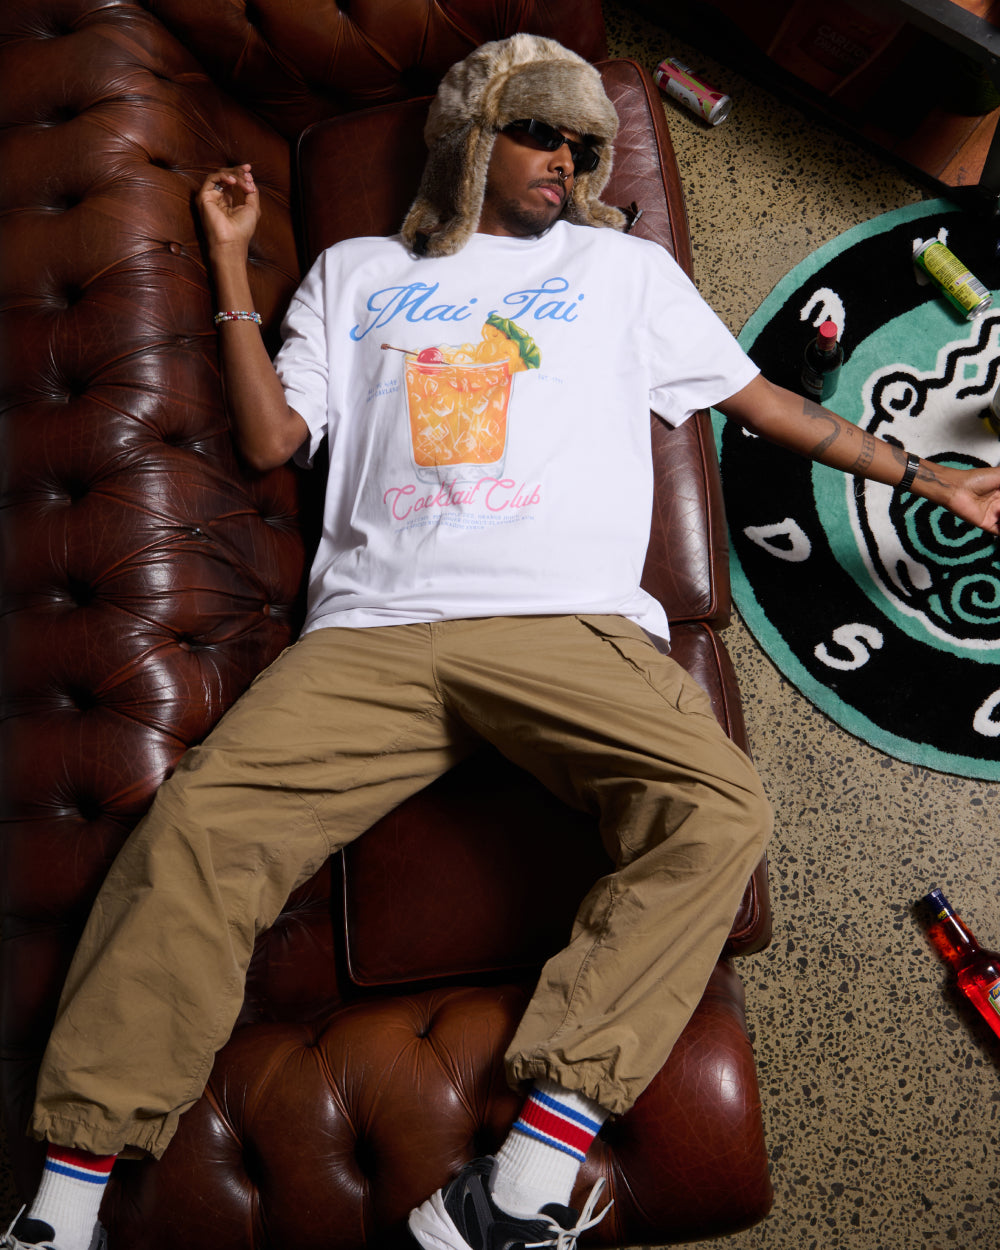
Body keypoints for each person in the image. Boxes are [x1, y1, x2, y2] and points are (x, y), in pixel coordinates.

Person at [6, 32, 1000, 1250]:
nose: (565, 159)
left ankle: (519, 1180)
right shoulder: (357, 272)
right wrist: (224, 261)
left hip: (565, 623)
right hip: (372, 633)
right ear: (471, 139)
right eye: (539, 131)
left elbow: (765, 402)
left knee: (718, 811)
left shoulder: (620, 271)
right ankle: (61, 1209)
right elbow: (271, 439)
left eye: (583, 142)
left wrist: (925, 476)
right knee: (201, 833)